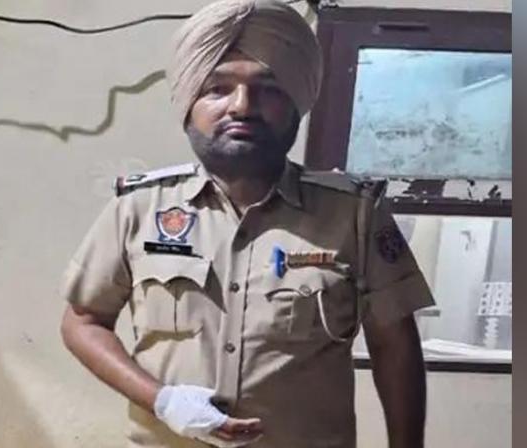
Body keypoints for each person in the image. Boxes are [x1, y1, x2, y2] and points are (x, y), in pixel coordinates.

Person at [60, 1, 435, 447]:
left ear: (295, 105)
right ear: (188, 103)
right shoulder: (139, 209)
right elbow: (83, 322)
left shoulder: (353, 214)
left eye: (268, 90)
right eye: (217, 89)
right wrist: (162, 400)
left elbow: (395, 345)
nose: (242, 106)